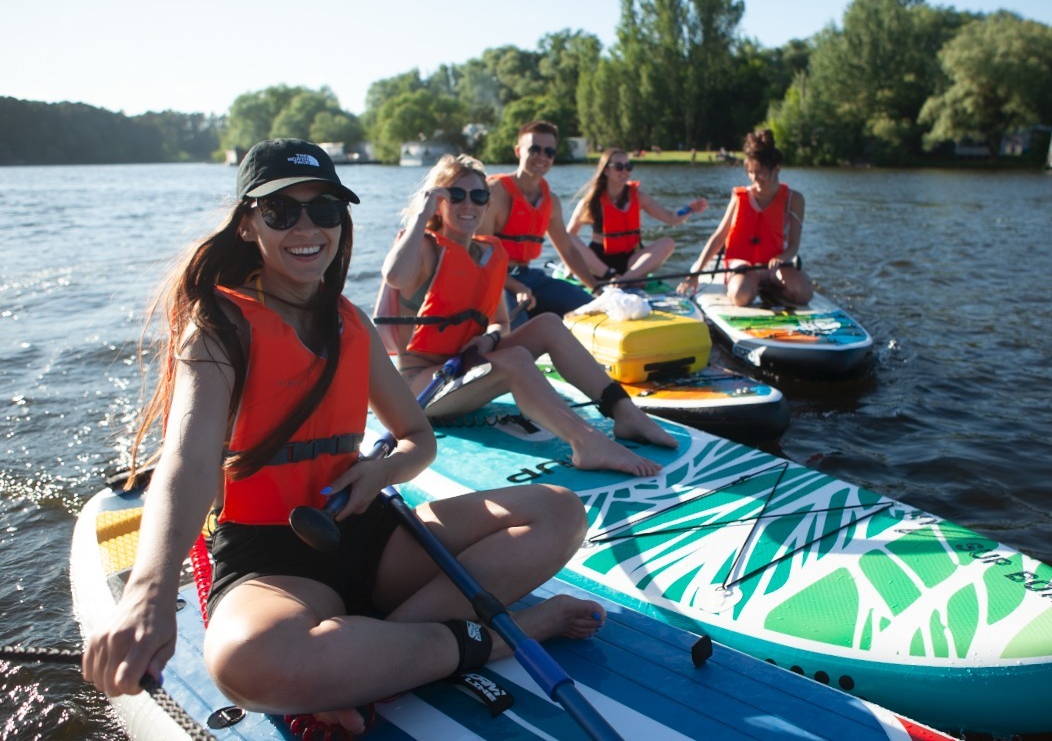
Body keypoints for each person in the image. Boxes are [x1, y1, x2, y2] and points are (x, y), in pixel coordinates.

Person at [82, 139, 603, 738]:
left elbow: (416, 439)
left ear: (341, 221)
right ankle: (499, 635)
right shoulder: (217, 325)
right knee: (244, 664)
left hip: (368, 534)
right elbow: (188, 461)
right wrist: (148, 592)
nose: (307, 227)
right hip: (272, 561)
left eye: (325, 209)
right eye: (281, 212)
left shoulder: (350, 321)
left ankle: (374, 658)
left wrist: (380, 473)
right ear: (249, 225)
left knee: (559, 512)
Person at [377, 154, 678, 478]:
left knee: (548, 323)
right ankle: (586, 442)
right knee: (517, 358)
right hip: (423, 389)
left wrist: (489, 337)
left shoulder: (489, 253)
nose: (469, 204)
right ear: (439, 202)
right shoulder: (423, 248)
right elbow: (394, 275)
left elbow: (501, 323)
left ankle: (624, 412)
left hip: (466, 371)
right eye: (455, 195)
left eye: (478, 196)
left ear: (487, 202)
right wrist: (421, 215)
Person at [678, 130, 814, 307]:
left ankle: (770, 289)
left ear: (777, 167)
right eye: (750, 172)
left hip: (774, 267)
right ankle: (750, 287)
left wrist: (783, 257)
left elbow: (794, 244)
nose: (755, 178)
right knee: (740, 296)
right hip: (744, 265)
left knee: (804, 293)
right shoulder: (739, 197)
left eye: (760, 172)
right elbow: (719, 238)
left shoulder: (794, 200)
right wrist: (694, 273)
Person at [481, 120, 597, 325]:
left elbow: (568, 250)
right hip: (493, 280)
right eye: (534, 149)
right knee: (517, 324)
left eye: (549, 152)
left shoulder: (551, 201)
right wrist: (516, 287)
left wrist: (598, 291)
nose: (542, 157)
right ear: (518, 151)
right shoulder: (495, 193)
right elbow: (479, 257)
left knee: (591, 309)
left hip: (529, 277)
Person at [566, 148, 707, 285]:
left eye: (628, 166)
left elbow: (670, 218)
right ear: (606, 170)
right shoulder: (591, 201)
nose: (624, 171)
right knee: (567, 236)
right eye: (619, 166)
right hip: (599, 263)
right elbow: (569, 236)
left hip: (630, 263)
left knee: (668, 243)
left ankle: (623, 281)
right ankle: (614, 277)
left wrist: (689, 209)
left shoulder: (638, 197)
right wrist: (570, 265)